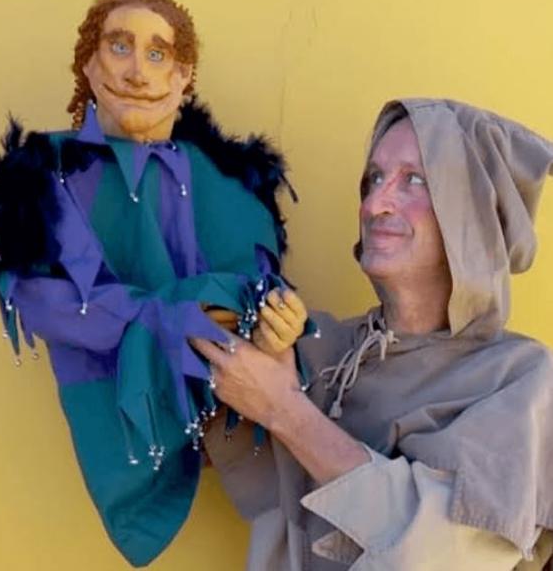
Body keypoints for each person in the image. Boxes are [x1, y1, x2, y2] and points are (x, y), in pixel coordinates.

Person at [0, 0, 310, 567]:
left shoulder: (228, 178)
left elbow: (257, 289)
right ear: (88, 62)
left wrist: (279, 322)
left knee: (298, 523)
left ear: (183, 77)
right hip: (118, 419)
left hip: (245, 427)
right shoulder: (45, 175)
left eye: (158, 54)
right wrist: (174, 316)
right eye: (119, 46)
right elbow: (47, 300)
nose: (137, 72)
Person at [194, 99, 553, 570]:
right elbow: (177, 424)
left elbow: (434, 555)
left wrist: (283, 409)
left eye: (414, 180)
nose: (374, 203)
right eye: (374, 179)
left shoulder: (523, 382)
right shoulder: (323, 350)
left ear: (471, 214)